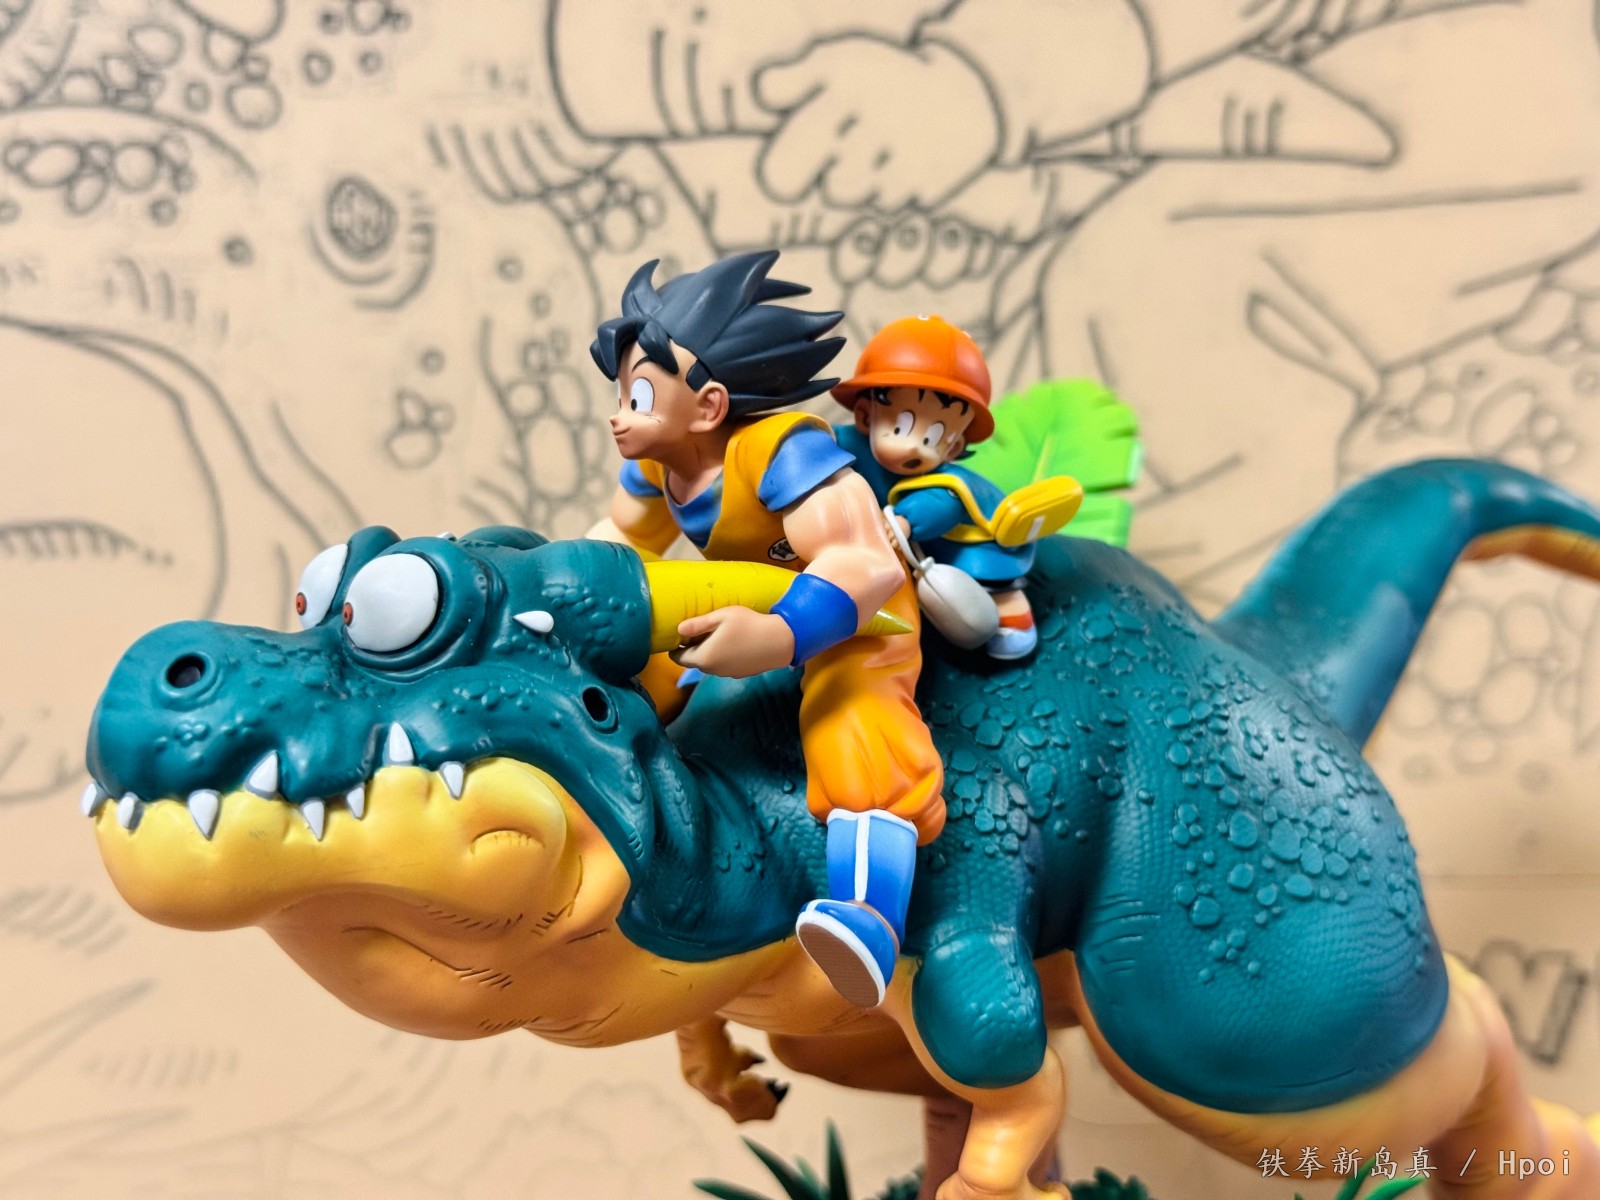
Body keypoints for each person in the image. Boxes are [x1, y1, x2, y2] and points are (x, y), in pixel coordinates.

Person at [590, 250, 944, 1008]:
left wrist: (780, 636)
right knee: (635, 676)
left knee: (857, 722)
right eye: (622, 394)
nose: (620, 414)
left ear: (710, 405)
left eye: (640, 394)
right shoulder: (657, 463)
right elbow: (619, 544)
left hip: (855, 615)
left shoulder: (783, 453)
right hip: (739, 610)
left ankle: (870, 917)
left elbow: (863, 561)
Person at [832, 315, 1042, 659]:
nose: (916, 447)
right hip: (873, 551)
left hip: (953, 545)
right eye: (901, 427)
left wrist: (907, 521)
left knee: (987, 574)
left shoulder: (947, 480)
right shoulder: (844, 444)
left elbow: (943, 503)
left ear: (954, 447)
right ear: (866, 416)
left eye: (934, 437)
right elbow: (816, 443)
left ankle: (1010, 608)